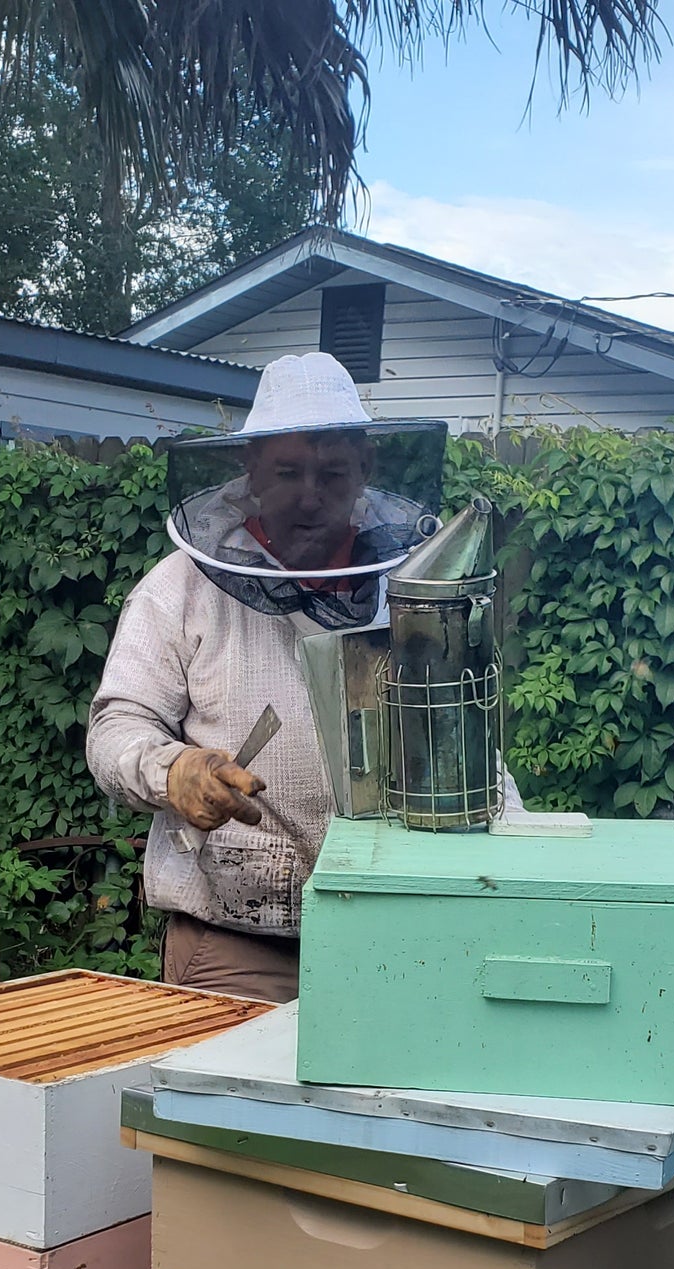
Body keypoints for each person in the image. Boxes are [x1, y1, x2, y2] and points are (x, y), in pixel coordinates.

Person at [88, 352, 512, 1001]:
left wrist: (523, 855)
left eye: (332, 473)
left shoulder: (410, 589)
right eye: (288, 473)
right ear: (251, 469)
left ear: (365, 469)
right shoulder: (176, 590)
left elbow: (463, 734)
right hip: (235, 941)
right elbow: (118, 726)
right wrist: (171, 770)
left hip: (394, 930)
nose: (310, 495)